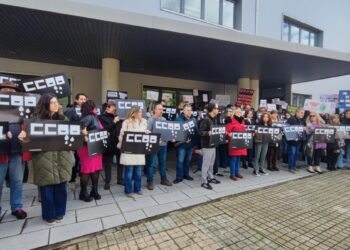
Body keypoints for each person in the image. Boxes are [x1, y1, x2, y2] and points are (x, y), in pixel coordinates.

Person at [18, 93, 73, 225]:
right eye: (52, 102)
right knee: (46, 190)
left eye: (57, 102)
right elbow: (27, 143)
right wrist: (23, 138)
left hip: (62, 158)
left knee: (61, 188)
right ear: (45, 104)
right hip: (44, 159)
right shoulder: (34, 120)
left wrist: (81, 133)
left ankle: (60, 212)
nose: (56, 105)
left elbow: (72, 138)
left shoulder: (64, 119)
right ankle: (48, 215)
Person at [0, 80, 28, 219]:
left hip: (17, 152)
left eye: (12, 91)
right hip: (1, 153)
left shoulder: (22, 109)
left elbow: (30, 126)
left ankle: (16, 207)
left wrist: (26, 133)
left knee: (17, 181)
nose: (10, 93)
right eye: (6, 90)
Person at [119, 106, 148, 197]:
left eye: (141, 112)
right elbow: (121, 138)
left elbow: (144, 137)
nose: (141, 113)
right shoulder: (126, 122)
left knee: (139, 172)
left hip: (139, 150)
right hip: (129, 151)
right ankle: (128, 190)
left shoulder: (144, 122)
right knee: (129, 172)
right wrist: (122, 135)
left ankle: (137, 189)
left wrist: (147, 134)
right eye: (139, 112)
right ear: (134, 113)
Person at [77, 100, 103, 202]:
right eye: (94, 107)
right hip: (87, 148)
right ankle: (83, 193)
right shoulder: (88, 117)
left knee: (96, 169)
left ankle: (94, 191)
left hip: (95, 147)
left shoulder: (94, 117)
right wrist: (85, 136)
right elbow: (79, 130)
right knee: (87, 171)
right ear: (90, 108)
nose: (96, 109)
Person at [146, 103, 172, 190]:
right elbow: (147, 132)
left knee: (163, 163)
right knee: (152, 164)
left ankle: (163, 179)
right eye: (160, 109)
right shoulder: (150, 120)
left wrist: (171, 138)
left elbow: (167, 131)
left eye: (162, 109)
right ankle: (150, 182)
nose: (161, 111)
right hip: (154, 146)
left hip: (163, 145)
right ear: (155, 110)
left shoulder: (164, 119)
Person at [99, 100, 123, 190]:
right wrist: (113, 122)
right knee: (108, 164)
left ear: (115, 108)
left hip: (118, 143)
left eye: (109, 106)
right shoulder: (102, 117)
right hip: (108, 144)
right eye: (106, 106)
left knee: (120, 162)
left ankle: (120, 179)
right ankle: (107, 182)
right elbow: (104, 130)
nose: (107, 108)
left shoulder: (118, 117)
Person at [64, 93, 87, 183]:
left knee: (80, 159)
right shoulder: (70, 111)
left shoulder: (86, 111)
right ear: (76, 100)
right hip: (73, 139)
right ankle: (72, 177)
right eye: (81, 99)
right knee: (74, 159)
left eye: (85, 99)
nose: (83, 101)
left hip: (83, 139)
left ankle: (80, 174)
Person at [199, 102, 221, 190]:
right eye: (217, 108)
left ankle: (210, 177)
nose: (218, 110)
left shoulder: (214, 118)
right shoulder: (206, 119)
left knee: (211, 163)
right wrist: (207, 133)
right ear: (212, 109)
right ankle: (204, 181)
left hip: (213, 144)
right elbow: (200, 131)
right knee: (206, 164)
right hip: (207, 145)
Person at [174, 104, 197, 183]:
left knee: (188, 160)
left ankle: (186, 175)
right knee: (180, 161)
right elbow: (176, 133)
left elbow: (196, 131)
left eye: (190, 110)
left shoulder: (194, 119)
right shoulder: (178, 120)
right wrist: (184, 139)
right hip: (182, 145)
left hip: (190, 145)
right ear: (183, 111)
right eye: (187, 110)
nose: (189, 112)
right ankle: (179, 177)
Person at [226, 108, 247, 181]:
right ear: (234, 113)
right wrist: (229, 134)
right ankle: (232, 174)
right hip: (234, 142)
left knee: (238, 158)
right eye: (237, 112)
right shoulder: (231, 120)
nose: (238, 113)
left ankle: (237, 172)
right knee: (233, 159)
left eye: (240, 112)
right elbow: (227, 131)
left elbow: (244, 130)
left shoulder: (242, 120)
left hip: (240, 142)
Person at [287, 108, 305, 174]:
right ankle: (291, 167)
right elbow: (287, 129)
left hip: (298, 140)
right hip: (292, 141)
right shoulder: (292, 119)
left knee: (296, 154)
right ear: (297, 112)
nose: (302, 114)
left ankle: (294, 166)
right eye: (301, 112)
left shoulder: (300, 120)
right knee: (292, 154)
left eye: (303, 113)